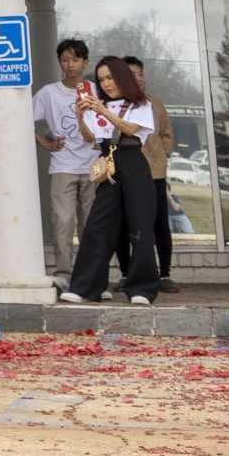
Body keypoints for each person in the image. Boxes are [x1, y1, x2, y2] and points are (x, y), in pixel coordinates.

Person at [61, 58, 162, 307]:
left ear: (121, 77)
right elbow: (90, 139)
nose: (106, 84)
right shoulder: (100, 105)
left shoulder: (140, 103)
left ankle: (142, 288)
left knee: (140, 226)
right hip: (109, 165)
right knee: (98, 226)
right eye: (102, 79)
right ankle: (85, 286)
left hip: (133, 163)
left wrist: (102, 111)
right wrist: (81, 115)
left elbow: (130, 130)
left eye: (110, 77)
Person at [33, 39, 94, 279]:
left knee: (92, 223)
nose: (70, 65)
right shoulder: (49, 93)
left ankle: (90, 275)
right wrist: (43, 141)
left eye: (75, 59)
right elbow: (20, 118)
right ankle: (63, 274)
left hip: (94, 166)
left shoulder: (96, 91)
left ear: (85, 62)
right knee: (63, 221)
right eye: (65, 60)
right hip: (63, 165)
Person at [127, 56, 178, 294]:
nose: (138, 78)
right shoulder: (116, 106)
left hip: (155, 171)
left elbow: (168, 134)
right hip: (128, 172)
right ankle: (130, 274)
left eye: (140, 73)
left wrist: (161, 153)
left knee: (159, 223)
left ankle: (165, 274)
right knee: (130, 225)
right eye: (131, 74)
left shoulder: (155, 104)